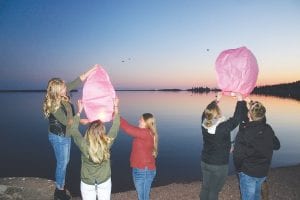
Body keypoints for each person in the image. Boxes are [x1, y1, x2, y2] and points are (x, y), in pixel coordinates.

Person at [43, 65, 97, 200]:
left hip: (66, 134)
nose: (66, 88)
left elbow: (78, 79)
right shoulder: (54, 106)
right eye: (62, 88)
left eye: (64, 86)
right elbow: (68, 122)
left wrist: (93, 69)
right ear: (56, 91)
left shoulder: (62, 93)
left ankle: (60, 185)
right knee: (62, 163)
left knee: (64, 162)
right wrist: (79, 112)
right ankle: (59, 191)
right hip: (59, 137)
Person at [69, 99, 120, 200]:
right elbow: (116, 126)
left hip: (87, 182)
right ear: (103, 131)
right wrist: (116, 107)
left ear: (89, 131)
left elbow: (73, 129)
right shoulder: (107, 142)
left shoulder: (84, 145)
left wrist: (79, 111)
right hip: (104, 180)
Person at [200, 92, 244, 200]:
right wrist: (240, 100)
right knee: (214, 190)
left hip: (205, 161)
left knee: (206, 187)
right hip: (218, 164)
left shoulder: (204, 123)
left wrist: (216, 100)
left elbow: (204, 113)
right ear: (218, 113)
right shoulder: (222, 127)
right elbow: (237, 119)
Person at [233, 100, 280, 200]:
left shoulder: (244, 132)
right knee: (256, 195)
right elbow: (276, 145)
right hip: (263, 172)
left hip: (248, 172)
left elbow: (237, 155)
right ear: (263, 115)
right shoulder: (268, 129)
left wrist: (239, 170)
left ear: (249, 115)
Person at [120, 113, 158, 200]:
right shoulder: (147, 132)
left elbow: (128, 128)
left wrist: (115, 114)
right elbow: (131, 128)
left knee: (143, 197)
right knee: (143, 196)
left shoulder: (145, 133)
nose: (138, 120)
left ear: (146, 122)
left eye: (140, 119)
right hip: (142, 169)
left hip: (143, 171)